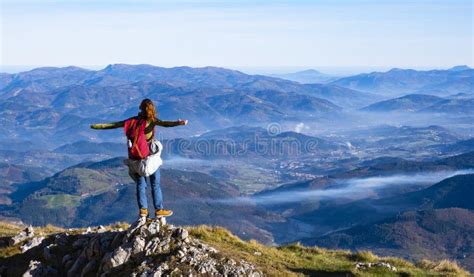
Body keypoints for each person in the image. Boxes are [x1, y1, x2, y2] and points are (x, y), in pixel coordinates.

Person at [90, 99, 188, 219]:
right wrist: (179, 123)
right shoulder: (152, 121)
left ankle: (143, 211)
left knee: (141, 184)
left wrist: (96, 126)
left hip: (135, 156)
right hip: (150, 155)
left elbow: (114, 124)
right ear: (152, 110)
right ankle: (159, 210)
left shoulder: (132, 121)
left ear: (140, 108)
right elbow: (166, 124)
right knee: (155, 183)